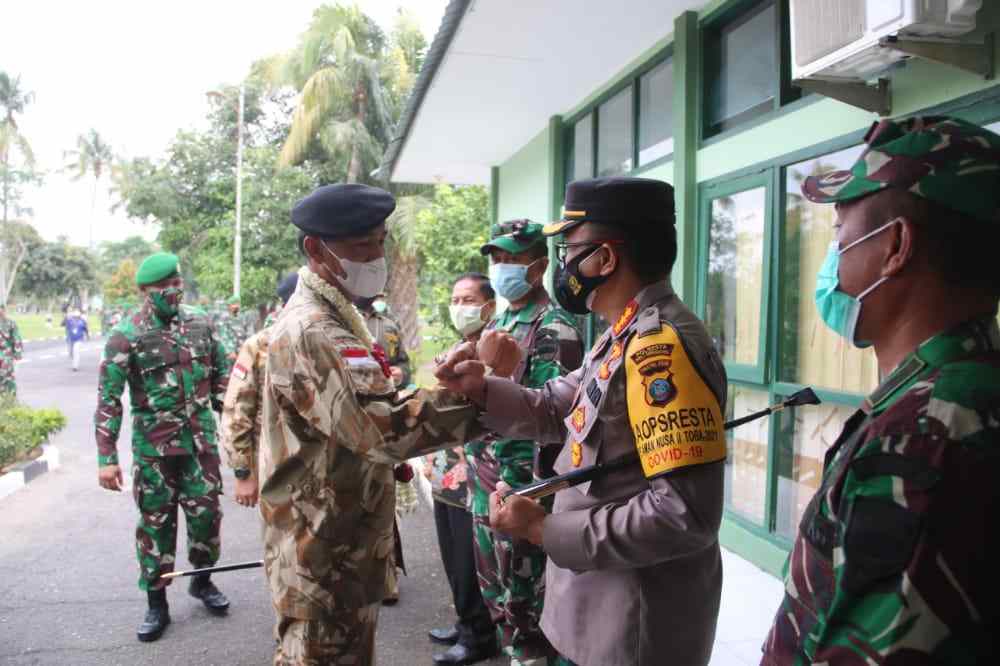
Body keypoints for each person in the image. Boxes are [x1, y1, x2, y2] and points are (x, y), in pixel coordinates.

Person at [437, 177, 729, 666]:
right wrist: (481, 389)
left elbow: (684, 515)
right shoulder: (622, 333)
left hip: (629, 628)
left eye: (571, 249)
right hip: (595, 609)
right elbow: (558, 407)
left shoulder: (661, 348)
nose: (564, 265)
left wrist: (543, 531)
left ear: (606, 259)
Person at [759, 116, 1000, 663]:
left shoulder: (930, 436)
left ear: (895, 245)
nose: (834, 264)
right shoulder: (955, 393)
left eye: (840, 237)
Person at [259, 183, 485, 665]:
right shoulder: (313, 330)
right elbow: (382, 432)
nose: (376, 255)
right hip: (321, 558)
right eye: (362, 245)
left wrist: (439, 380)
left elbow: (371, 403)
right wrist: (478, 394)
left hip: (340, 549)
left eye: (380, 241)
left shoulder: (340, 317)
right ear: (316, 250)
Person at [460, 219, 583, 666]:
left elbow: (552, 420)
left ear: (538, 266)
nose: (502, 267)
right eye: (496, 259)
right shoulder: (499, 319)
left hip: (522, 487)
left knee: (527, 605)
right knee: (498, 598)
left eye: (512, 258)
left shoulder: (555, 328)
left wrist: (501, 374)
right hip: (484, 484)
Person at [95, 252, 233, 643]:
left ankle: (202, 582)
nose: (173, 291)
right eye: (163, 287)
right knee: (156, 526)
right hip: (154, 453)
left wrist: (244, 426)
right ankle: (157, 604)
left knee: (207, 517)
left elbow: (223, 376)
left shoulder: (201, 323)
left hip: (201, 446)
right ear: (144, 291)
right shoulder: (127, 334)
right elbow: (108, 397)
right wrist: (107, 458)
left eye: (176, 283)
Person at [426, 273, 498, 665]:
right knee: (453, 553)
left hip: (477, 471)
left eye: (467, 298)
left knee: (473, 560)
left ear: (488, 305)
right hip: (449, 470)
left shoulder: (498, 346)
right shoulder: (459, 345)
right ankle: (463, 619)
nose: (459, 306)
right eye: (455, 298)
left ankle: (478, 636)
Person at [355, 290, 415, 604]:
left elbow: (404, 363)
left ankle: (387, 578)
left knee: (385, 507)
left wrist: (402, 373)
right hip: (352, 426)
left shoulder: (387, 325)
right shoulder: (337, 322)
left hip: (384, 424)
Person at [220, 272, 298, 510]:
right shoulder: (259, 345)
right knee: (284, 542)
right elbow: (237, 411)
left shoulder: (324, 340)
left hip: (321, 466)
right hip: (274, 463)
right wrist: (243, 472)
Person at [216, 295, 254, 360]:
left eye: (238, 304)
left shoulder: (243, 317)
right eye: (234, 304)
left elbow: (250, 333)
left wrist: (247, 347)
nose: (236, 306)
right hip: (230, 353)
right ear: (229, 306)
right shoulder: (224, 318)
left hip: (243, 351)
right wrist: (230, 351)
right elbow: (224, 336)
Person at [0, 304, 23, 396]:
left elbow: (17, 338)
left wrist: (17, 355)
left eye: (1, 309)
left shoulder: (10, 323)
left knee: (7, 377)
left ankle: (10, 399)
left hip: (6, 354)